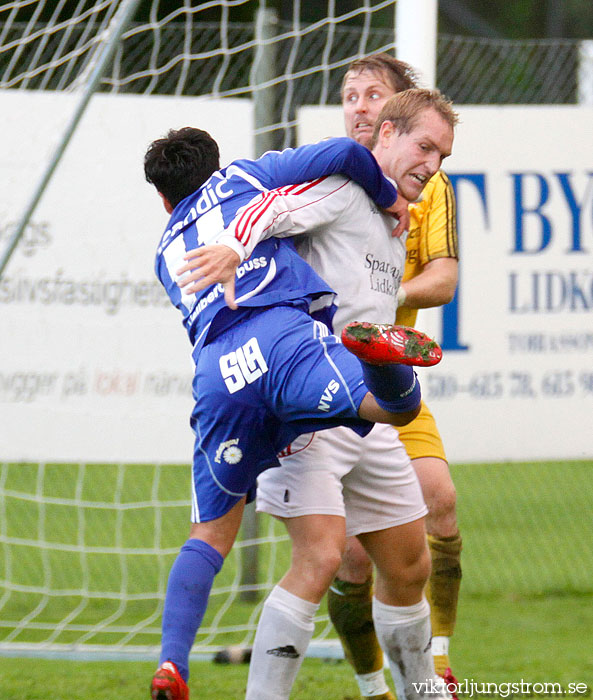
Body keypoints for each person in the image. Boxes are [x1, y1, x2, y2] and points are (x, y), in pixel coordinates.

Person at [175, 88, 458, 700]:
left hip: (367, 417)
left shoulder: (393, 216)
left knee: (410, 565)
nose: (433, 163)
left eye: (442, 154)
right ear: (385, 136)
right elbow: (270, 206)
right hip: (308, 403)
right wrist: (232, 247)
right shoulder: (345, 188)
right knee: (321, 559)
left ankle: (421, 690)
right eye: (424, 145)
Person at [328, 53, 462, 695]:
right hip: (328, 386)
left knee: (440, 503)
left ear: (395, 114)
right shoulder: (322, 175)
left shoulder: (428, 184)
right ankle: (372, 687)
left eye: (372, 93)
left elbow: (445, 277)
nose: (358, 104)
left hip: (389, 385)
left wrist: (382, 302)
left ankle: (438, 661)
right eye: (349, 94)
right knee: (345, 558)